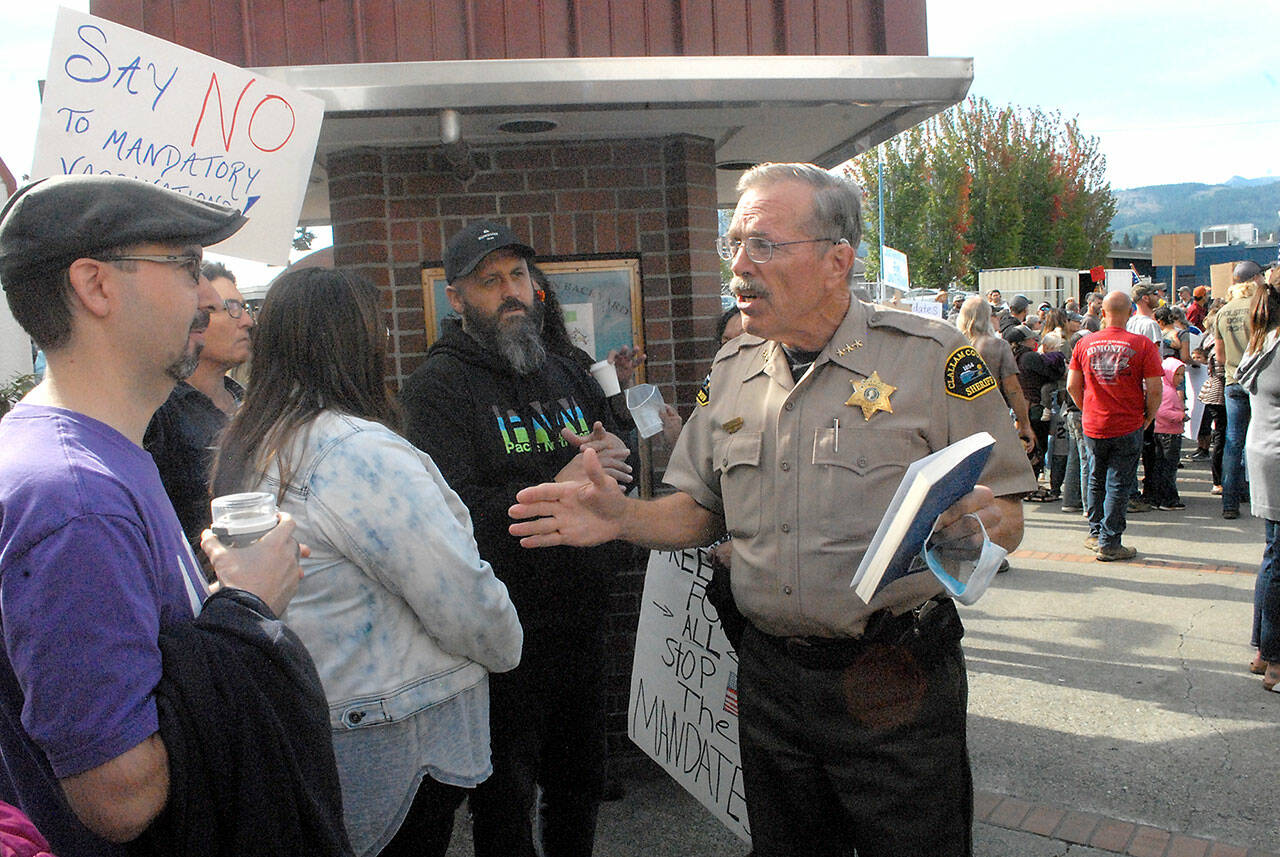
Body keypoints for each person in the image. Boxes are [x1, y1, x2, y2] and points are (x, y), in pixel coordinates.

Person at [508, 163, 1035, 856]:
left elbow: (1009, 512)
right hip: (772, 686)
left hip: (896, 678)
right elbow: (701, 508)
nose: (739, 267)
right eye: (733, 245)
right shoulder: (733, 369)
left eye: (762, 244)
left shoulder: (932, 361)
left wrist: (972, 532)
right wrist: (622, 517)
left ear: (835, 259)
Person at [0, 175, 309, 856]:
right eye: (186, 265)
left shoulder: (102, 458)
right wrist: (248, 606)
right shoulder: (74, 495)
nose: (207, 298)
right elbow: (120, 795)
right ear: (96, 285)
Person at [209, 268, 523, 856]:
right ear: (351, 342)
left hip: (317, 716)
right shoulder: (354, 450)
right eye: (375, 325)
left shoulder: (253, 438)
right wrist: (509, 646)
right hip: (389, 735)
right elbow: (458, 593)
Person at [400, 220, 634, 857]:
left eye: (518, 276)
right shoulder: (436, 388)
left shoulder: (568, 372)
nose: (510, 291)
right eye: (490, 280)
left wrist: (614, 451)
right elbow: (449, 515)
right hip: (500, 631)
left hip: (580, 618)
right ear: (457, 299)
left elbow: (619, 457)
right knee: (505, 794)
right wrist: (555, 488)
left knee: (581, 782)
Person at [144, 261, 254, 551]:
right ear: (193, 317)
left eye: (244, 308)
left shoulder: (249, 404)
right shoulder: (159, 414)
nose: (246, 321)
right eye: (230, 308)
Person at [1066, 291, 1163, 562]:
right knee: (1119, 481)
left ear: (1102, 313)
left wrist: (1088, 409)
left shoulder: (1084, 344)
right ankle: (1110, 541)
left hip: (1095, 422)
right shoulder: (1143, 345)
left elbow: (1072, 385)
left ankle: (1096, 532)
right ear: (1130, 312)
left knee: (1097, 476)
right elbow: (1155, 389)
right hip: (1127, 422)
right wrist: (1148, 416)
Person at [1235, 263, 1280, 690]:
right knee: (1278, 558)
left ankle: (1266, 650)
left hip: (1264, 449)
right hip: (1275, 454)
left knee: (1274, 554)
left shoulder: (1263, 339)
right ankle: (1274, 660)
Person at [1215, 262, 1263, 520]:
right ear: (1254, 281)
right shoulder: (1259, 308)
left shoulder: (1223, 312)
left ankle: (1230, 502)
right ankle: (1259, 496)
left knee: (1234, 442)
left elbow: (1220, 356)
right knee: (1261, 439)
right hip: (1259, 380)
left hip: (1233, 380)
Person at [956, 296, 1034, 452]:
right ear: (986, 318)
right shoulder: (998, 346)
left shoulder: (952, 345)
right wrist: (1024, 424)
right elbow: (1013, 389)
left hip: (958, 420)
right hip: (991, 420)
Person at [1146, 355, 1187, 511]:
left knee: (1160, 466)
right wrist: (1181, 416)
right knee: (1168, 468)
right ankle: (1168, 499)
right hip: (1169, 434)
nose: (1180, 378)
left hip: (1162, 432)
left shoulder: (1166, 388)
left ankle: (1158, 497)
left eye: (1182, 374)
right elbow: (1162, 412)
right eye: (1177, 374)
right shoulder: (1168, 391)